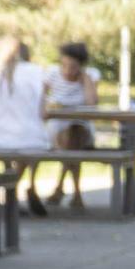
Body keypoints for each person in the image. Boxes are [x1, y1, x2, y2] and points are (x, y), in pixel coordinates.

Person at [0, 37, 51, 218]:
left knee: (14, 147)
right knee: (32, 146)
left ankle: (10, 190)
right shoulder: (37, 73)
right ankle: (15, 188)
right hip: (29, 138)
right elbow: (43, 113)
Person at [39, 40, 99, 213]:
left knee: (74, 135)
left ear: (80, 66)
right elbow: (40, 97)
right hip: (56, 124)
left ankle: (59, 189)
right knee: (70, 142)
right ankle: (76, 193)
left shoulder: (91, 75)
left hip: (80, 124)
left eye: (72, 66)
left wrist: (84, 79)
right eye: (63, 65)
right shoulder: (51, 73)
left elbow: (91, 103)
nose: (66, 70)